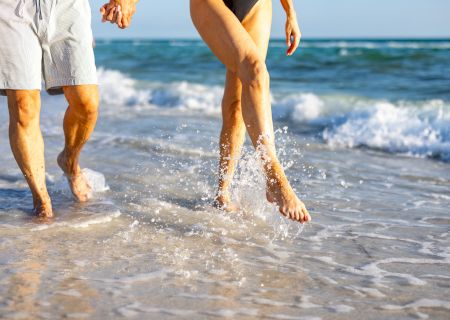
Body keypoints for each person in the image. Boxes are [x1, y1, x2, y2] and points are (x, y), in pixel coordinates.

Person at [101, 0, 311, 224]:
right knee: (256, 69)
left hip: (257, 5)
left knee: (238, 100)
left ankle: (223, 194)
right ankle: (274, 176)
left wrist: (290, 12)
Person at [0, 0, 99, 218]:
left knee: (86, 103)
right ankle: (41, 200)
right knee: (23, 106)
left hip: (67, 6)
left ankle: (70, 161)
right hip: (8, 7)